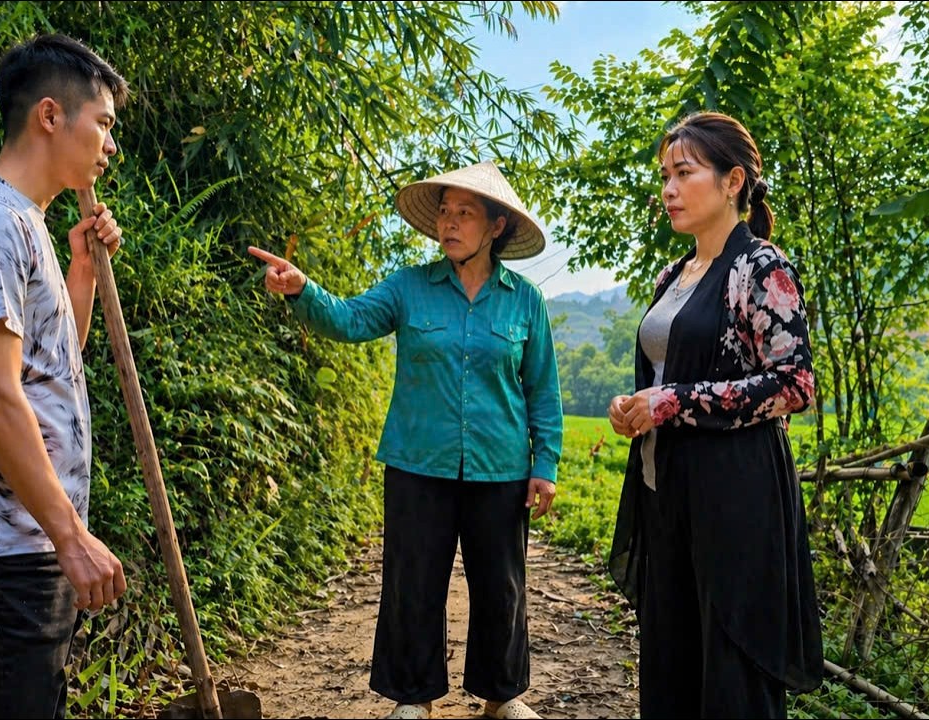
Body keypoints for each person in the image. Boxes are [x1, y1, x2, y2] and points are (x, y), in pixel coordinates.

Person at [248, 161, 563, 720]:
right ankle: (413, 698)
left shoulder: (525, 301)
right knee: (413, 584)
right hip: (419, 463)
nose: (449, 222)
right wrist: (303, 289)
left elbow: (541, 389)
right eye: (444, 210)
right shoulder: (409, 287)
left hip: (501, 466)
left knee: (502, 587)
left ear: (495, 226)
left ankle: (502, 696)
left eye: (465, 212)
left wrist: (547, 465)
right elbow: (348, 320)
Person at [0, 33, 130, 719]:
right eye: (103, 123)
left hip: (25, 534)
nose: (110, 146)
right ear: (49, 115)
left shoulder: (25, 223)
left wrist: (82, 270)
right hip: (5, 545)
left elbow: (47, 362)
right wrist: (69, 535)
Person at [606, 111, 824, 718]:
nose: (669, 190)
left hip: (735, 499)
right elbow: (663, 376)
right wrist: (635, 406)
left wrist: (671, 402)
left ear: (733, 182)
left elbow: (795, 383)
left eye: (684, 173)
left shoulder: (762, 269)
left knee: (729, 666)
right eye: (665, 176)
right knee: (672, 656)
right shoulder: (672, 275)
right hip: (666, 491)